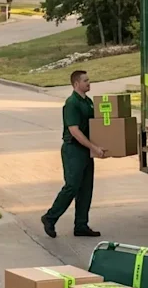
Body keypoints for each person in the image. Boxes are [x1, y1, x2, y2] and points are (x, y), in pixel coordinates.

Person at [41, 69, 106, 238]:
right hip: (73, 150)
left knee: (86, 188)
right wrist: (93, 147)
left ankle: (81, 225)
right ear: (76, 84)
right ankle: (50, 217)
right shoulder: (72, 103)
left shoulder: (89, 102)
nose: (88, 83)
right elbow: (75, 131)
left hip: (86, 151)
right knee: (72, 186)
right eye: (85, 81)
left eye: (89, 80)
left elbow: (97, 125)